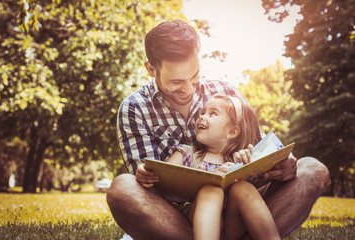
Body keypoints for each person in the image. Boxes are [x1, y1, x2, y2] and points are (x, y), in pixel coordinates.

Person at [107, 20, 329, 239]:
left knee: (312, 170)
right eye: (176, 81)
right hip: (180, 220)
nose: (188, 89)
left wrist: (283, 163)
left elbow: (260, 146)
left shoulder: (224, 92)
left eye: (194, 76)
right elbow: (150, 192)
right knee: (123, 188)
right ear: (151, 69)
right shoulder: (135, 108)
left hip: (240, 212)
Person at [162, 94, 280, 240]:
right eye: (203, 112)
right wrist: (210, 179)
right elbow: (161, 184)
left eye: (212, 114)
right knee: (211, 191)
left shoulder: (240, 160)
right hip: (192, 224)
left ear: (232, 132)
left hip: (232, 227)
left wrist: (245, 166)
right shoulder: (186, 154)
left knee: (243, 188)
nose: (202, 117)